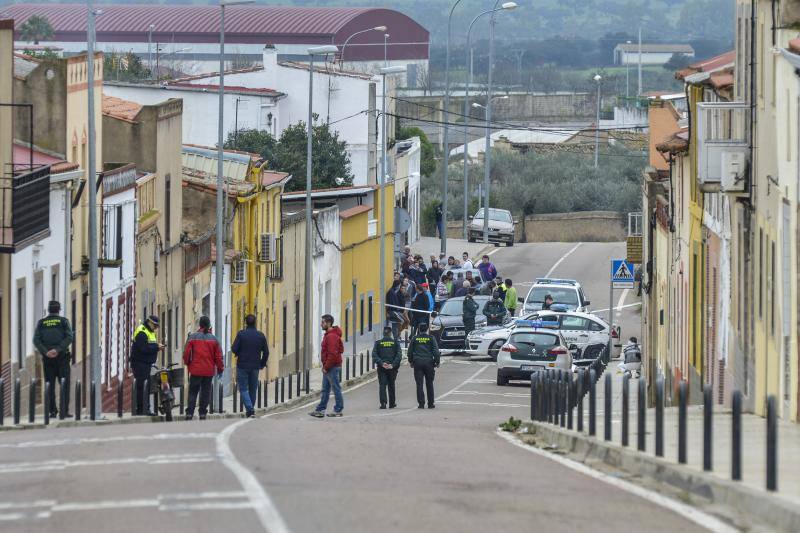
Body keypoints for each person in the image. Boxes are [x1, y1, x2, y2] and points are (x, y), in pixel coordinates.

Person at [33, 301, 74, 418]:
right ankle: (64, 411)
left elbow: (36, 340)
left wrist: (46, 352)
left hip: (48, 359)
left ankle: (52, 411)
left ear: (49, 310)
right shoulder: (64, 321)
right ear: (59, 310)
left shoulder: (41, 323)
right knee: (64, 384)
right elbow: (69, 337)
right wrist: (58, 349)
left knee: (49, 385)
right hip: (62, 358)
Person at [183, 316, 224, 420]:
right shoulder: (214, 339)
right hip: (208, 371)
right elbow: (218, 357)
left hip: (195, 370)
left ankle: (190, 413)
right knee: (205, 392)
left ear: (199, 325)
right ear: (209, 325)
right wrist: (220, 369)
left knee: (193, 392)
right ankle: (202, 413)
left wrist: (187, 363)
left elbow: (186, 353)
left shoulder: (192, 337)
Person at [231, 314, 269, 418]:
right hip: (255, 366)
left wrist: (239, 351)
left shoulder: (241, 334)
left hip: (242, 366)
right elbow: (266, 352)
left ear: (245, 323)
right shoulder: (260, 336)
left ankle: (250, 409)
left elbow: (234, 348)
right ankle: (250, 410)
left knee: (243, 389)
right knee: (253, 389)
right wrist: (262, 363)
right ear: (255, 322)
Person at [309, 315, 344, 418]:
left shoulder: (331, 336)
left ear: (328, 323)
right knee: (325, 389)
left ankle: (338, 409)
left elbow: (332, 354)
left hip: (332, 366)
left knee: (335, 388)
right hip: (329, 366)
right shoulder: (329, 335)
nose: (321, 324)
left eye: (323, 322)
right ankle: (320, 410)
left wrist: (326, 367)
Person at [130, 315, 165, 415]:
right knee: (142, 386)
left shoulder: (149, 332)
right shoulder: (142, 332)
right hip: (139, 363)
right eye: (155, 325)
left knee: (146, 386)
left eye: (157, 326)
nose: (156, 328)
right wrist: (156, 347)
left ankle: (145, 408)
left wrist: (156, 346)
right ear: (149, 322)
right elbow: (144, 348)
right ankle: (142, 409)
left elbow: (150, 345)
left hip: (146, 363)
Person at [407, 322, 440, 409]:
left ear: (418, 329)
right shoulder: (431, 338)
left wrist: (410, 361)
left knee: (419, 384)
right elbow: (436, 351)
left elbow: (409, 351)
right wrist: (437, 362)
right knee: (429, 383)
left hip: (417, 363)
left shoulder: (415, 338)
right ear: (427, 329)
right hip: (429, 363)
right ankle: (430, 403)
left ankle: (421, 404)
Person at [372, 327, 402, 409]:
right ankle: (392, 403)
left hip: (382, 368)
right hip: (392, 368)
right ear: (390, 333)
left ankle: (383, 403)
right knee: (391, 385)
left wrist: (381, 363)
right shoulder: (395, 343)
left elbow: (374, 355)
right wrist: (393, 364)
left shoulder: (378, 343)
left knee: (382, 385)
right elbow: (399, 355)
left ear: (383, 333)